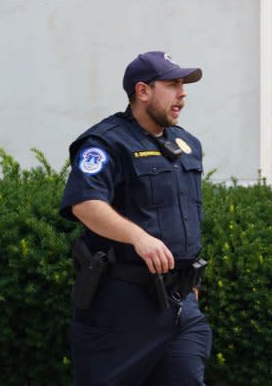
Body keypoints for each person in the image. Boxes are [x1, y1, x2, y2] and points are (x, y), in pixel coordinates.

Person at [60, 51, 212, 385]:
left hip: (181, 307)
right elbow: (85, 203)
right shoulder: (104, 142)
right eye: (172, 84)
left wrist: (192, 287)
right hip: (122, 307)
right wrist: (139, 238)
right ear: (142, 91)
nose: (182, 93)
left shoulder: (188, 144)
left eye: (183, 84)